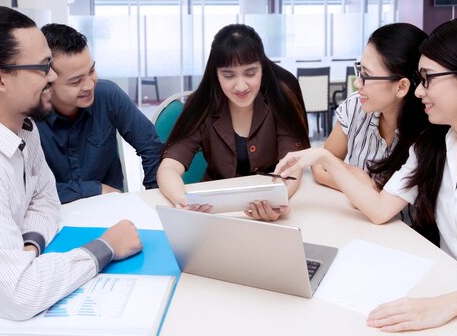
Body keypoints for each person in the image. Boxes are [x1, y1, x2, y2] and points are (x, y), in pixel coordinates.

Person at [275, 19, 457, 329]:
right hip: (445, 288)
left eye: (427, 79)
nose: (419, 91)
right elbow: (379, 209)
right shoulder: (435, 144)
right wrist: (323, 157)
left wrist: (445, 305)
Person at [0, 5, 143, 336]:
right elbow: (19, 295)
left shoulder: (23, 126)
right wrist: (106, 246)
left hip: (5, 318)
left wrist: (29, 246)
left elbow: (45, 201)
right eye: (43, 66)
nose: (52, 76)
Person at [157, 23, 310, 221]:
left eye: (250, 73)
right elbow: (168, 168)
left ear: (262, 69)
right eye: (228, 75)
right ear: (216, 74)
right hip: (215, 214)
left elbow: (292, 167)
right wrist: (183, 202)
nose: (241, 86)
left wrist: (277, 200)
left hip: (269, 205)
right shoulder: (203, 105)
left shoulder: (280, 98)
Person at [37, 23, 163, 203]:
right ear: (47, 81)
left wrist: (153, 199)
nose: (89, 85)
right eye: (75, 81)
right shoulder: (29, 116)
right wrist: (94, 189)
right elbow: (29, 190)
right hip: (53, 213)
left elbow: (151, 147)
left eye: (91, 71)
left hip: (109, 207)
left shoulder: (107, 95)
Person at [312, 23, 428, 197]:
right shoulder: (356, 107)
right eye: (360, 71)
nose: (357, 83)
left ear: (401, 87)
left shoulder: (426, 135)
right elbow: (321, 164)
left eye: (366, 75)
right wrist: (363, 183)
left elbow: (384, 203)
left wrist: (351, 176)